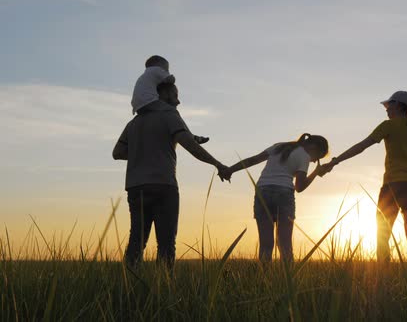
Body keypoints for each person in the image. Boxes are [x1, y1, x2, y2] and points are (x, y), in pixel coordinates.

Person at [113, 82, 227, 270]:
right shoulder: (169, 115)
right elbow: (189, 145)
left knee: (137, 240)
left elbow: (117, 152)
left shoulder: (133, 123)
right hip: (163, 185)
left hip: (136, 186)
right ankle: (163, 290)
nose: (179, 101)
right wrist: (218, 164)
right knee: (166, 243)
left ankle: (129, 287)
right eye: (175, 95)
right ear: (163, 94)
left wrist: (143, 152)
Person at [320, 91, 407, 266]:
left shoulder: (388, 126)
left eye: (389, 106)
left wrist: (335, 161)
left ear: (397, 106)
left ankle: (383, 281)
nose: (386, 110)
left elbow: (361, 146)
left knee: (382, 236)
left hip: (393, 186)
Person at [219, 134, 329, 263]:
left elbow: (253, 160)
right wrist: (316, 173)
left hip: (262, 192)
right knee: (285, 245)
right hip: (284, 194)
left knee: (265, 245)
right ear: (314, 147)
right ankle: (286, 282)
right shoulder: (304, 156)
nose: (315, 161)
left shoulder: (279, 147)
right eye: (318, 157)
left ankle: (264, 280)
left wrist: (230, 170)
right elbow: (299, 187)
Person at [131, 55, 209, 144]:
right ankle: (191, 137)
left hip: (138, 106)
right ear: (158, 65)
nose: (166, 71)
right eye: (166, 69)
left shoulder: (145, 76)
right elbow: (171, 79)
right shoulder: (156, 70)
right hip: (149, 101)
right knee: (173, 112)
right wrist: (168, 76)